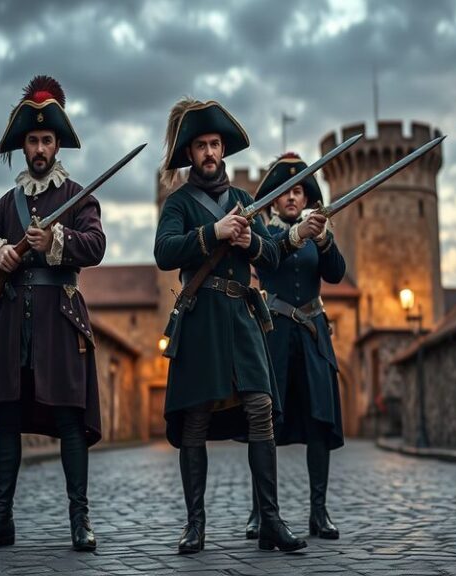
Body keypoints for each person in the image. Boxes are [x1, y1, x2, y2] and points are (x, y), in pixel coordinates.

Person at [154, 98, 307, 554]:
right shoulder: (179, 202)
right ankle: (195, 525)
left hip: (242, 317)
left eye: (215, 144)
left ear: (224, 150)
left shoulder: (247, 201)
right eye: (200, 145)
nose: (209, 152)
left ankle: (271, 522)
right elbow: (165, 251)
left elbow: (275, 254)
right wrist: (213, 234)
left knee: (261, 409)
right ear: (190, 153)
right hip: (201, 319)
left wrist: (249, 239)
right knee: (196, 418)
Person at [0, 75, 104, 551]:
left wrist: (57, 242)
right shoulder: (5, 205)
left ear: (56, 144)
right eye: (32, 140)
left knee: (69, 421)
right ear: (22, 147)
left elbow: (96, 245)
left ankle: (79, 522)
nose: (39, 148)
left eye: (46, 139)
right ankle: (0, 519)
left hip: (59, 323)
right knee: (6, 419)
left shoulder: (79, 197)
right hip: (11, 325)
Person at [244, 153, 345, 540]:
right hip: (275, 333)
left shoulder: (318, 235)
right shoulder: (265, 233)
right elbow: (267, 262)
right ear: (274, 199)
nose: (292, 197)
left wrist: (323, 238)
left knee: (320, 421)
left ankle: (319, 513)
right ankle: (261, 512)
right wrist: (298, 236)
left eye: (298, 190)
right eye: (285, 191)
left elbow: (336, 273)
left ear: (306, 199)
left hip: (314, 333)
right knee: (264, 422)